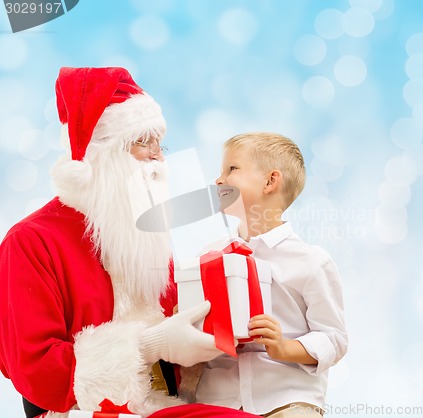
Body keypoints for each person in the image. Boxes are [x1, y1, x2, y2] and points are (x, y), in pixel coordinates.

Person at [0, 67, 259, 418]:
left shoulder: (153, 238)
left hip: (174, 403)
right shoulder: (31, 242)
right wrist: (149, 345)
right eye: (142, 142)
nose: (159, 157)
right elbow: (35, 373)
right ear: (101, 153)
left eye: (159, 143)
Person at [193, 132, 348, 417]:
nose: (219, 180)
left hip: (285, 401)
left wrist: (284, 348)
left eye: (232, 169)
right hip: (218, 401)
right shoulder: (209, 256)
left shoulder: (311, 261)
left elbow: (334, 338)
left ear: (270, 181)